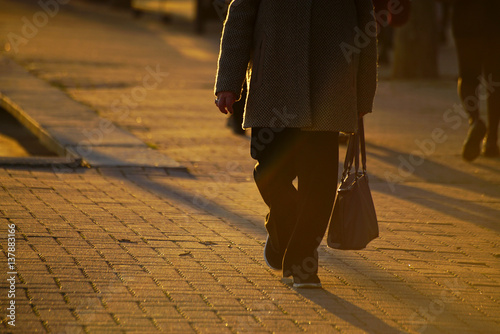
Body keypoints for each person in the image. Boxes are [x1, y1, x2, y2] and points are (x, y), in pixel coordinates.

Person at [214, 0, 377, 288]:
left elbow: (366, 22)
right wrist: (229, 81)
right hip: (273, 85)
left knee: (319, 183)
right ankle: (284, 230)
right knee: (269, 173)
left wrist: (363, 92)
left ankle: (302, 263)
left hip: (329, 86)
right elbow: (240, 15)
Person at [446, 0, 500, 161]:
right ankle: (491, 140)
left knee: (468, 76)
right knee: (495, 79)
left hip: (466, 20)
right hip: (495, 20)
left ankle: (475, 120)